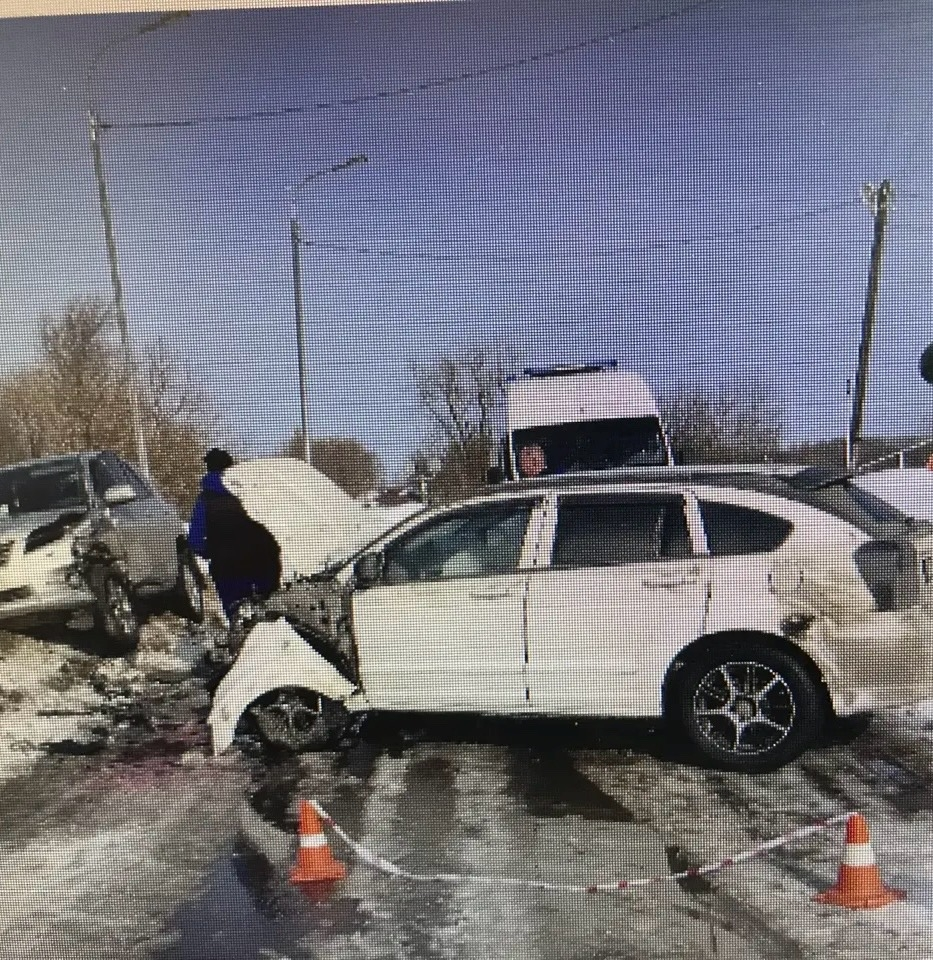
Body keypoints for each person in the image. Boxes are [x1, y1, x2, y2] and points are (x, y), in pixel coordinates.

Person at [187, 448, 282, 619]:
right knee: (270, 612)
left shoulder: (205, 500)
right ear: (231, 467)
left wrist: (213, 550)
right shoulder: (249, 491)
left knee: (238, 616)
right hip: (262, 559)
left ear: (208, 468)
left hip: (227, 565)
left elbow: (195, 541)